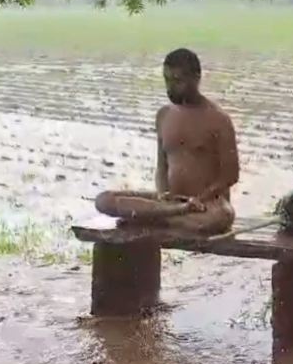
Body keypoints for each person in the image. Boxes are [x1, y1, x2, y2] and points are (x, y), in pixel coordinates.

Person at [95, 48, 239, 235]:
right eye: (167, 80)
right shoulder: (164, 115)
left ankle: (154, 217)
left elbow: (230, 176)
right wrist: (163, 194)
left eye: (177, 81)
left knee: (221, 217)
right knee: (104, 200)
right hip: (171, 204)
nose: (170, 87)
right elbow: (162, 166)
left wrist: (199, 199)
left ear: (196, 78)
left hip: (205, 205)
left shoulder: (219, 119)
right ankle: (171, 215)